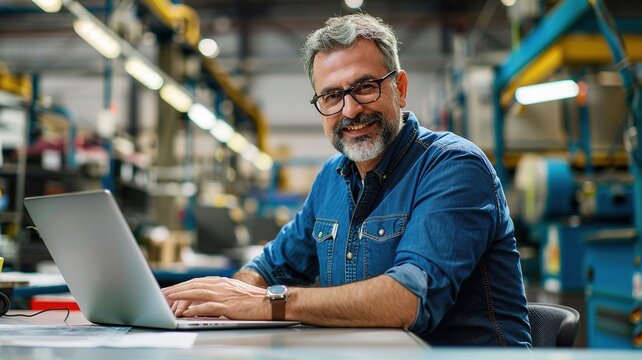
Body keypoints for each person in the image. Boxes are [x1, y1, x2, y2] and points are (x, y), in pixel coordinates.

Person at [163, 13, 532, 347]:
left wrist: (266, 303)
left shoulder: (452, 166)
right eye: (332, 95)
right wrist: (208, 302)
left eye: (365, 87)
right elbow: (269, 268)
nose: (351, 109)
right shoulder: (331, 179)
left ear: (400, 89)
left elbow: (409, 300)